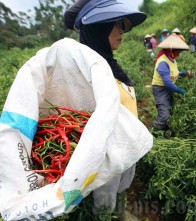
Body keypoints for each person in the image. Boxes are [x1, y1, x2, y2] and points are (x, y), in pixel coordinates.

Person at [64, 0, 148, 218]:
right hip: (106, 159)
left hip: (124, 151)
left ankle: (119, 213)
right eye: (117, 24)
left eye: (124, 25)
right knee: (104, 205)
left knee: (120, 193)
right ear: (98, 29)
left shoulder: (108, 64)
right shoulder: (88, 74)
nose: (122, 31)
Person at [151, 33, 190, 131]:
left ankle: (164, 129)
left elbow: (172, 73)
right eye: (178, 51)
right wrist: (181, 91)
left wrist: (182, 73)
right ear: (171, 50)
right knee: (164, 115)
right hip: (160, 89)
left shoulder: (172, 58)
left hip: (167, 88)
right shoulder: (163, 61)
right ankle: (152, 133)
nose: (179, 54)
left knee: (169, 110)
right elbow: (168, 84)